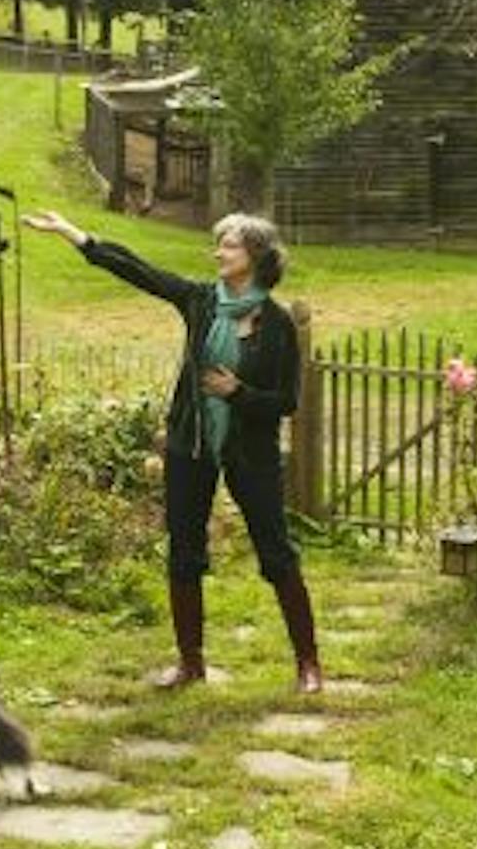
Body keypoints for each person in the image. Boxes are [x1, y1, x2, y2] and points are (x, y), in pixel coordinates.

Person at [21, 208, 323, 694]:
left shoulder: (278, 324)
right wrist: (74, 235)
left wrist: (237, 393)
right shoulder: (201, 302)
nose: (218, 252)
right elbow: (140, 270)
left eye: (228, 244)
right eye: (219, 243)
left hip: (251, 453)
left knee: (276, 553)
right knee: (184, 552)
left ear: (256, 257)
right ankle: (190, 663)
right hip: (191, 445)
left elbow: (286, 402)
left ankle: (308, 664)